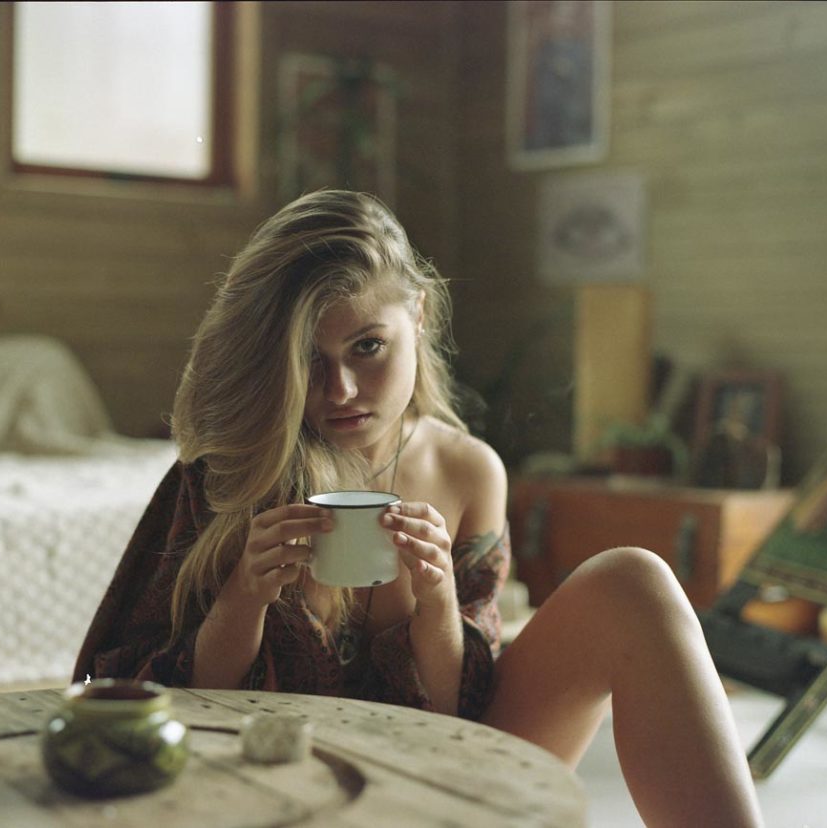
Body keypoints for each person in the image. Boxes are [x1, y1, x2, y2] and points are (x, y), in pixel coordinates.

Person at [75, 190, 763, 827]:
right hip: (275, 780)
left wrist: (436, 598)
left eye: (367, 347)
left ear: (420, 317)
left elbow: (453, 708)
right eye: (310, 360)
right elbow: (173, 704)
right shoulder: (233, 468)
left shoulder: (468, 471)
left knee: (633, 582)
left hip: (442, 764)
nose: (341, 388)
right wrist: (242, 600)